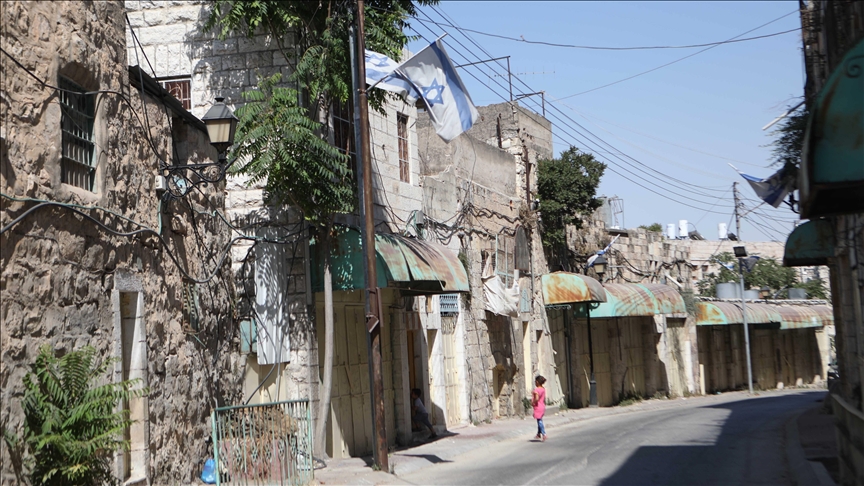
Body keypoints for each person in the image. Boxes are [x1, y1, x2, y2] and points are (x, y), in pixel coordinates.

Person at [532, 375, 547, 441]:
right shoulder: (543, 389)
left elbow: (537, 398)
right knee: (539, 419)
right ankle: (538, 433)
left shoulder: (537, 390)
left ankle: (544, 434)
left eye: (535, 381)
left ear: (537, 382)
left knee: (539, 421)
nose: (535, 383)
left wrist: (533, 402)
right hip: (542, 406)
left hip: (538, 406)